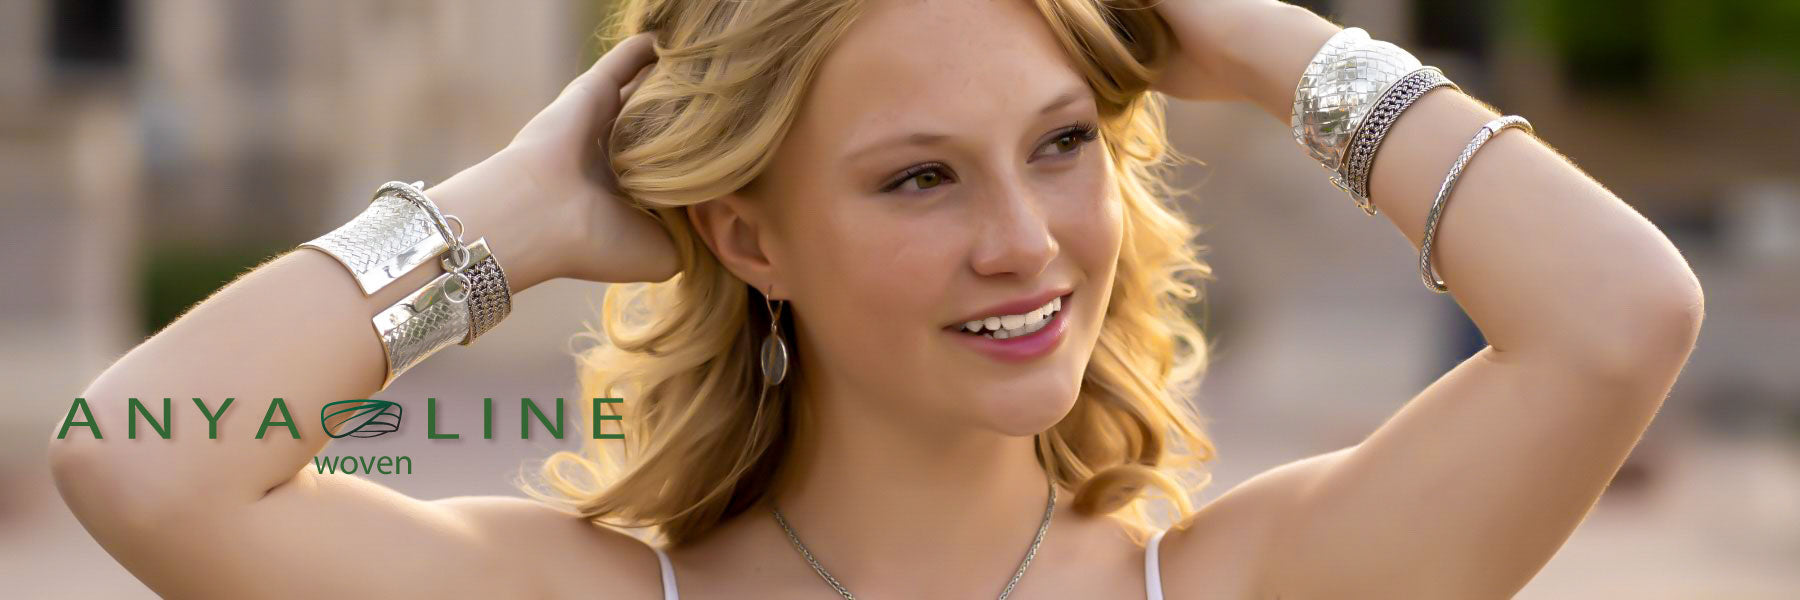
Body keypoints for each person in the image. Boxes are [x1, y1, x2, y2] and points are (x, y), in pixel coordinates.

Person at [48, 0, 1705, 598]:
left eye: (1060, 148)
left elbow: (1619, 315)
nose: (1027, 241)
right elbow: (138, 456)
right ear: (751, 239)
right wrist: (510, 216)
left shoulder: (1251, 590)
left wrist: (1274, 48)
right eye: (920, 176)